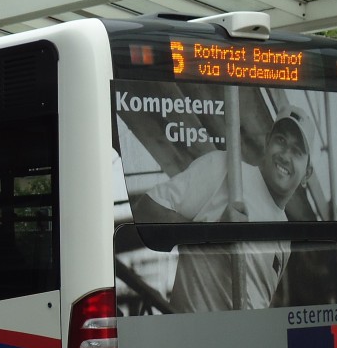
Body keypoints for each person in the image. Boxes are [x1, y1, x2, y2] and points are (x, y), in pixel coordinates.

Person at [133, 105, 315, 312]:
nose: (285, 154)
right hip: (195, 338)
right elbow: (145, 212)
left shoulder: (285, 235)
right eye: (280, 140)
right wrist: (212, 234)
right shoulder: (225, 168)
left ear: (307, 174)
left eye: (297, 151)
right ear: (267, 142)